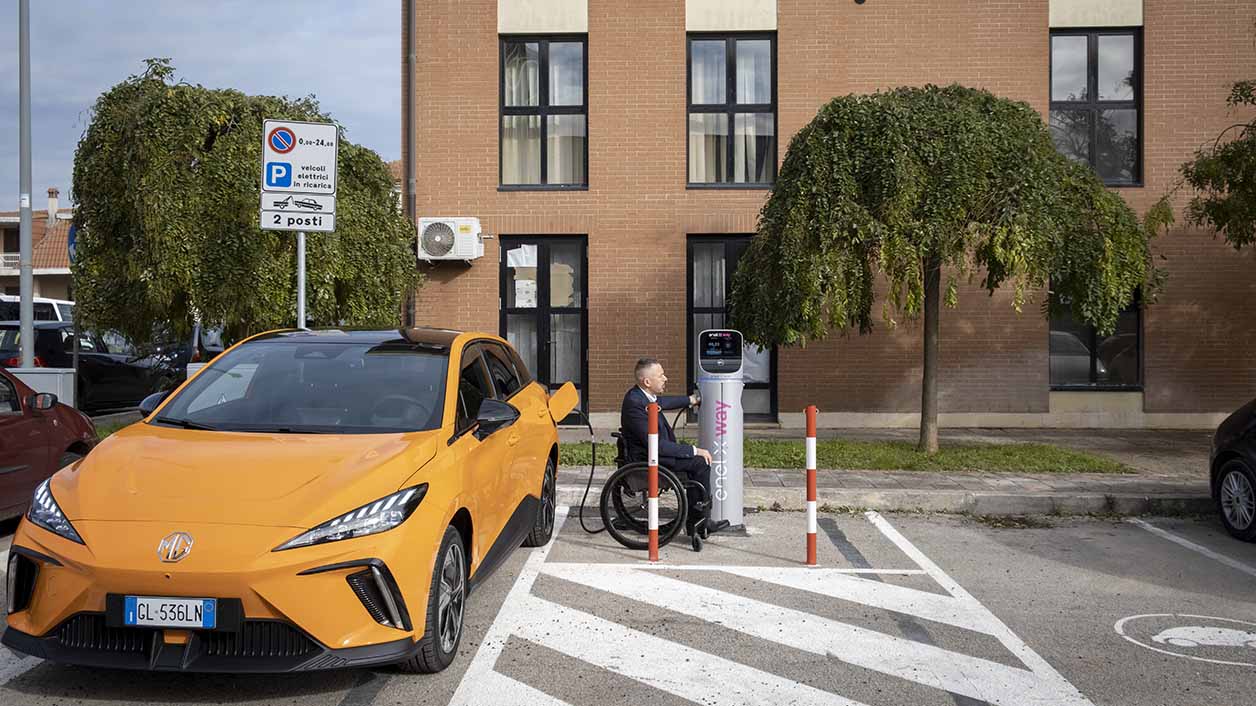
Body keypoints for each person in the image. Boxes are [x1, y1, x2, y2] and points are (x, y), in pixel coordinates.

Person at [620, 357, 728, 535]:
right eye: (661, 375)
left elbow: (664, 403)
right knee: (699, 463)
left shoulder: (643, 396)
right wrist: (694, 450)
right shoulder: (635, 403)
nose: (665, 378)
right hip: (649, 459)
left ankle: (696, 521)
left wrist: (691, 400)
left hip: (655, 453)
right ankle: (699, 523)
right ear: (647, 381)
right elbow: (657, 446)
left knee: (696, 461)